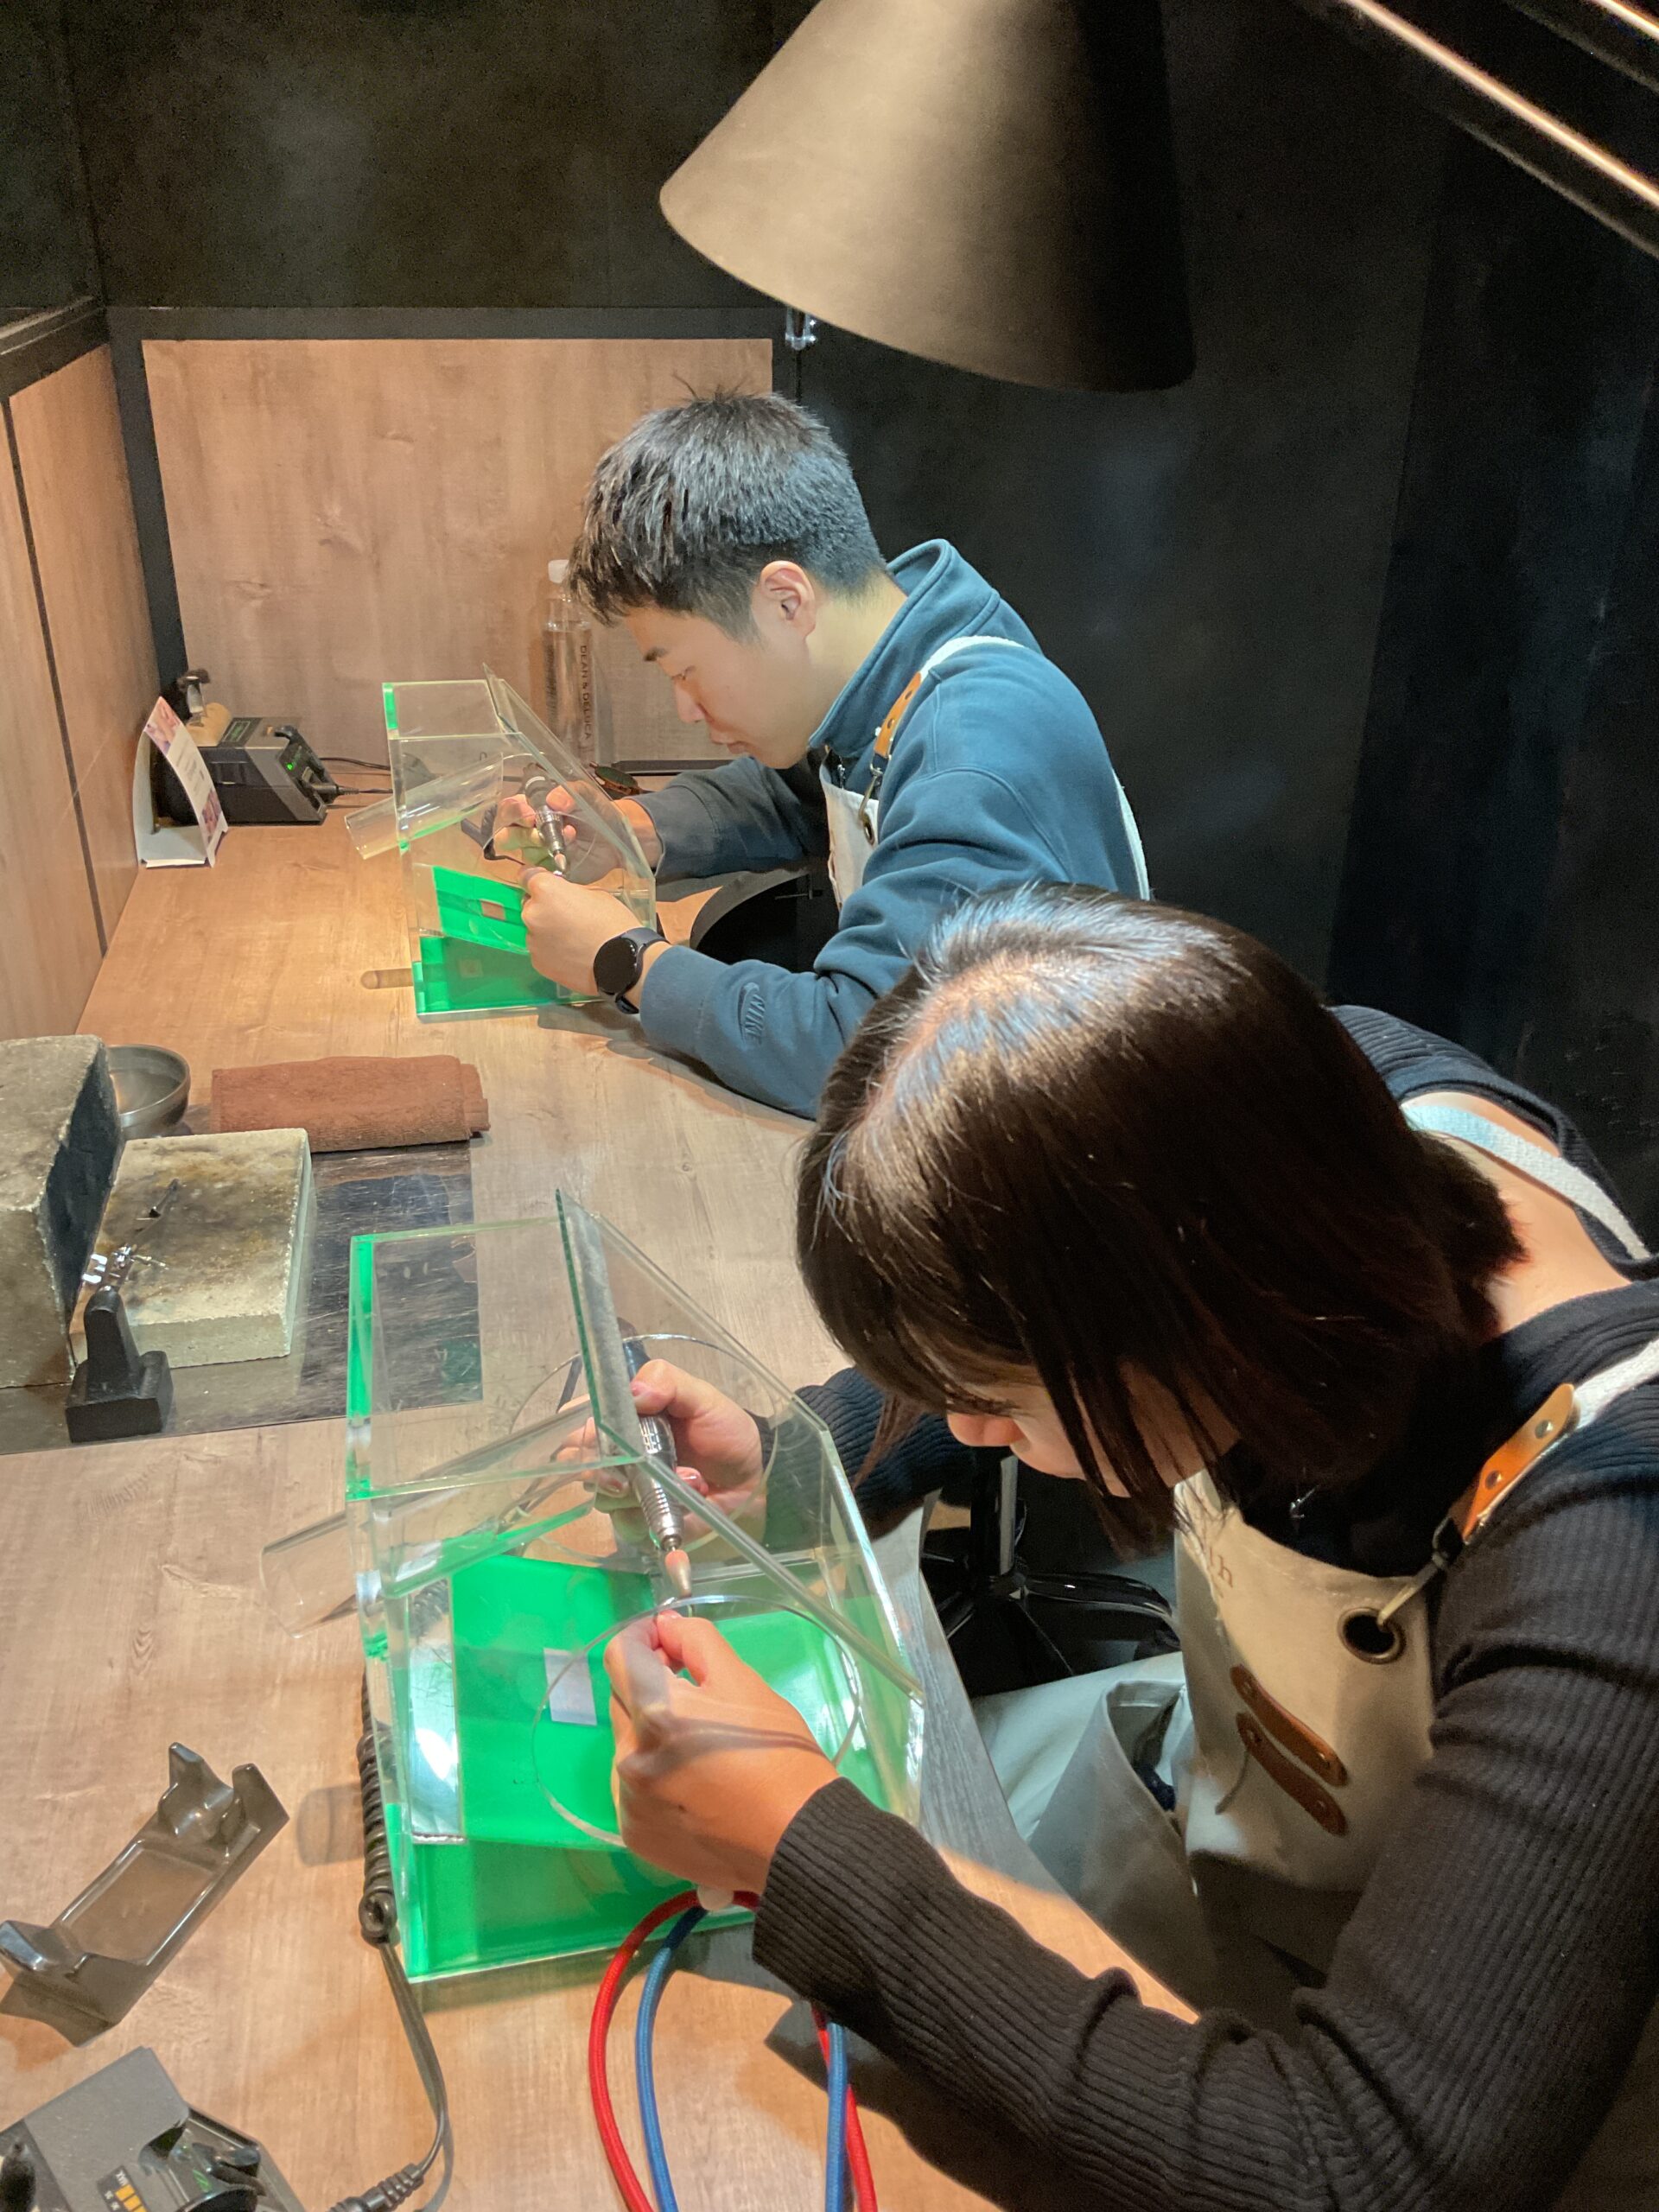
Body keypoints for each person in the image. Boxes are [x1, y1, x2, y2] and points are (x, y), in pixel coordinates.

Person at [603, 885, 1659, 2210]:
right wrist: (797, 1463)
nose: (970, 1433)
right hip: (1262, 1862)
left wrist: (803, 1853)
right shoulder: (1290, 1134)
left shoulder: (1610, 1549)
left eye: (996, 1396)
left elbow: (1361, 2170)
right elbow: (1052, 1276)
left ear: (1205, 1324)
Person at [507, 393, 1147, 1117]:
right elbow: (797, 795)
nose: (686, 707)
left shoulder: (969, 748)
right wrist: (635, 831)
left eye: (684, 670)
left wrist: (627, 962)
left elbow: (863, 1052)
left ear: (787, 601)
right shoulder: (899, 664)